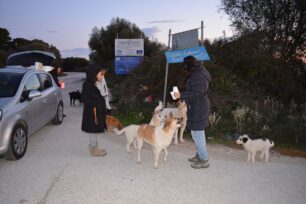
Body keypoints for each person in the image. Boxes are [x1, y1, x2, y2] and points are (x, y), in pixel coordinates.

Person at [174, 55, 211, 169]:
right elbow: (195, 91)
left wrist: (181, 95)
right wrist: (182, 94)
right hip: (196, 106)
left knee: (198, 133)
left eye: (185, 67)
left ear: (188, 65)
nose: (184, 70)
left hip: (199, 107)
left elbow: (197, 93)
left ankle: (204, 159)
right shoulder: (198, 73)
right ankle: (200, 154)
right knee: (196, 132)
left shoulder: (198, 76)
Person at [81, 64, 107, 157]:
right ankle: (94, 149)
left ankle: (94, 147)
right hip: (91, 113)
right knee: (93, 131)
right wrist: (96, 103)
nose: (102, 76)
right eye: (101, 74)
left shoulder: (92, 83)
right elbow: (84, 99)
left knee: (94, 131)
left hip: (94, 112)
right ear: (94, 74)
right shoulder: (88, 85)